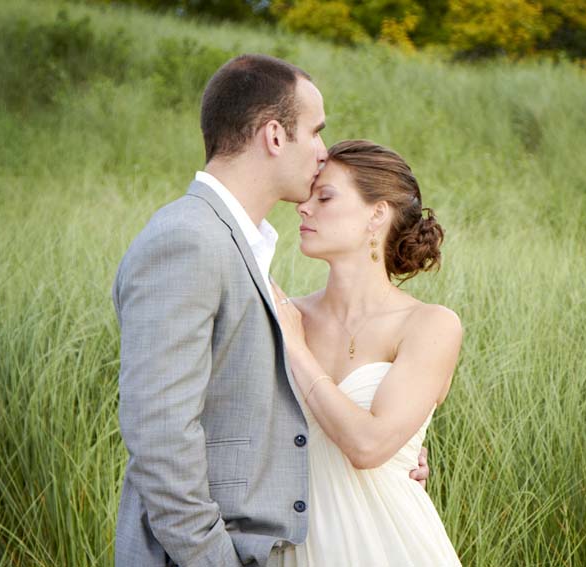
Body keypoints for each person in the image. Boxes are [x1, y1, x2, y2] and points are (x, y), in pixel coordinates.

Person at [112, 55, 428, 567]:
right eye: (316, 132)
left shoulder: (245, 249)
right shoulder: (187, 240)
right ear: (275, 137)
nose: (323, 152)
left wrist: (396, 453)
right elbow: (162, 441)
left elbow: (253, 402)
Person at [270, 139, 463, 566]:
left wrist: (296, 349)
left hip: (396, 545)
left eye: (325, 197)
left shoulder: (429, 324)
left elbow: (369, 447)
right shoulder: (284, 313)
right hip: (297, 549)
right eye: (307, 197)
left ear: (377, 214)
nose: (303, 208)